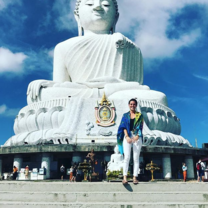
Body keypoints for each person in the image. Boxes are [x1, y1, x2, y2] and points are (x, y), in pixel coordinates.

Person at [117, 98, 144, 185]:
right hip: (127, 136)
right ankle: (125, 177)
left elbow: (140, 127)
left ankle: (135, 177)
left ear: (136, 105)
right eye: (131, 104)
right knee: (127, 157)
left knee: (136, 158)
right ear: (129, 105)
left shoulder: (140, 115)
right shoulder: (125, 115)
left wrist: (137, 136)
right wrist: (127, 136)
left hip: (137, 136)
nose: (132, 105)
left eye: (134, 104)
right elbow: (123, 126)